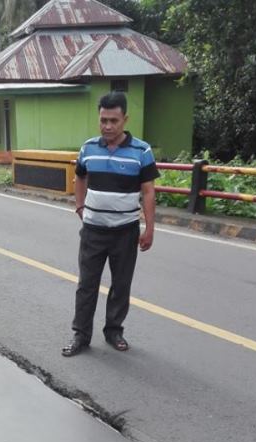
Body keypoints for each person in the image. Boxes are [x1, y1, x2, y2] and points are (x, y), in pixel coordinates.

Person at [62, 91, 159, 357]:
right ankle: (81, 335)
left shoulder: (142, 151)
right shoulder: (88, 148)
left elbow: (148, 191)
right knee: (87, 284)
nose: (107, 126)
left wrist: (149, 228)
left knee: (121, 284)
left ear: (125, 119)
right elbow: (79, 177)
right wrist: (79, 205)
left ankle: (114, 330)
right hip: (93, 230)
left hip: (125, 231)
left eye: (113, 120)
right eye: (103, 120)